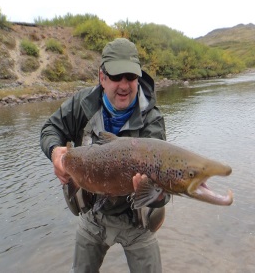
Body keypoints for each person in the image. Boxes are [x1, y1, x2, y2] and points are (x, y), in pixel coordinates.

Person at [40, 37, 170, 273]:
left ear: (138, 78)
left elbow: (163, 184)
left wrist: (155, 192)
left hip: (136, 221)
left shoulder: (152, 120)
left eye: (130, 77)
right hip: (93, 216)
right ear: (102, 77)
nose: (124, 85)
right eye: (116, 77)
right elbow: (51, 129)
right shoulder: (82, 104)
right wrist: (55, 152)